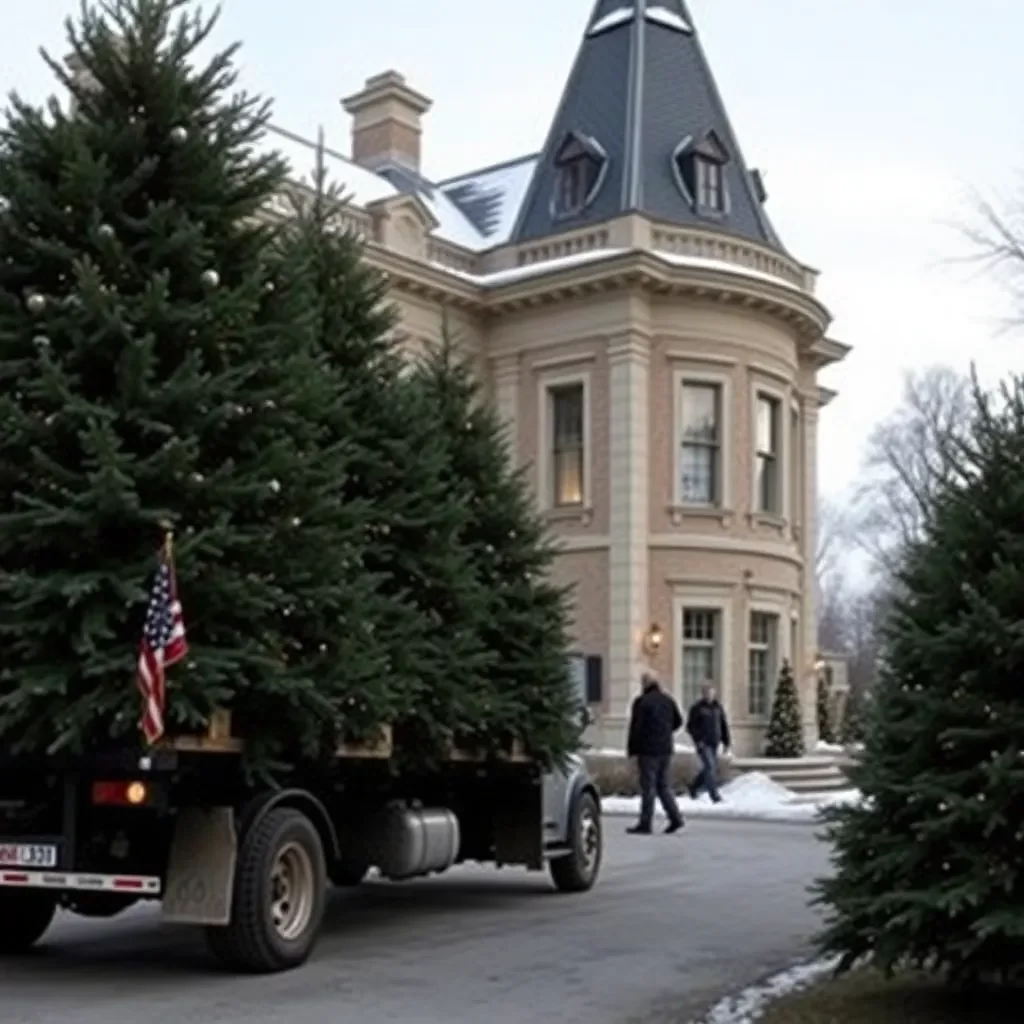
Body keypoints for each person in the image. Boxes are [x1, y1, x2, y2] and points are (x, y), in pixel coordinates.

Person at [625, 672, 685, 835]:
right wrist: (666, 732)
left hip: (647, 750)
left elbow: (636, 728)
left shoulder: (641, 702)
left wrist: (632, 750)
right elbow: (678, 721)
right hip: (665, 748)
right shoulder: (668, 701)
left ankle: (646, 823)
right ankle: (675, 817)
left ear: (644, 684)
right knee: (664, 786)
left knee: (648, 787)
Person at [686, 682, 731, 803]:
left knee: (709, 768)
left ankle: (693, 786)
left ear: (714, 693)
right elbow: (690, 727)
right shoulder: (697, 708)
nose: (709, 695)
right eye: (706, 692)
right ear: (703, 694)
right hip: (703, 743)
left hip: (714, 741)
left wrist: (726, 742)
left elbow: (723, 725)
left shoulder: (718, 707)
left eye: (711, 692)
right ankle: (714, 795)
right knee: (710, 767)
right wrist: (698, 740)